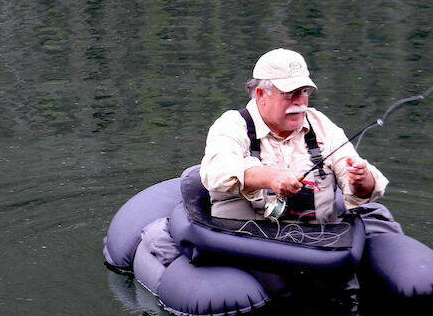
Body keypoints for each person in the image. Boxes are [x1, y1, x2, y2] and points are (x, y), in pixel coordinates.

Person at [140, 48, 402, 268]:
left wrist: (361, 180)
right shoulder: (232, 124)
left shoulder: (322, 126)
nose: (300, 102)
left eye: (305, 92)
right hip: (250, 245)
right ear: (261, 94)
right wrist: (271, 178)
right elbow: (217, 172)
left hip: (317, 245)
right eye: (290, 94)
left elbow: (359, 187)